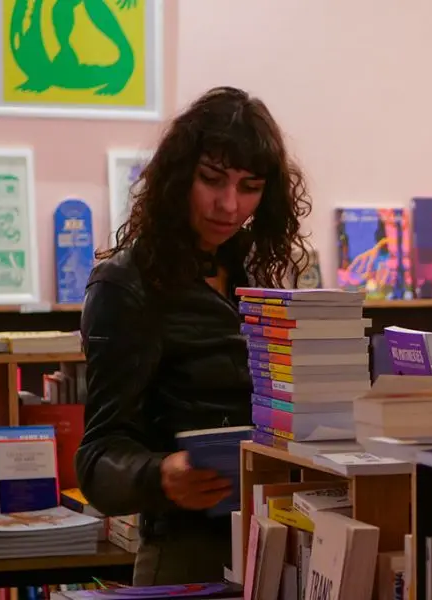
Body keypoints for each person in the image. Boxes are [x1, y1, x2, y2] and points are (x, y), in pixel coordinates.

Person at [75, 86, 311, 585]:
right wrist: (161, 474)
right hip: (186, 551)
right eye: (211, 180)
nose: (229, 204)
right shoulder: (126, 283)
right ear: (179, 176)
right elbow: (96, 459)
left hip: (281, 539)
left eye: (250, 187)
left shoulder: (253, 274)